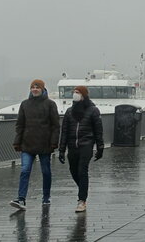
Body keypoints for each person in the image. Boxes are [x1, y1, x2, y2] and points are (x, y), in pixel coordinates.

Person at [11, 79, 60, 212]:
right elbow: (20, 125)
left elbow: (55, 125)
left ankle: (46, 197)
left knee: (46, 171)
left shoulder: (50, 104)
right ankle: (21, 198)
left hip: (45, 145)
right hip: (27, 144)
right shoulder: (25, 104)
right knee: (25, 170)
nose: (35, 90)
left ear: (43, 89)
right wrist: (17, 141)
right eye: (33, 87)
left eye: (37, 87)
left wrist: (54, 142)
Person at [59, 85, 103, 213]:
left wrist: (100, 148)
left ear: (84, 95)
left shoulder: (93, 110)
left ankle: (81, 200)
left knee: (82, 170)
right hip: (72, 146)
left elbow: (98, 131)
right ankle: (83, 188)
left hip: (86, 144)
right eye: (74, 92)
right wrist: (61, 150)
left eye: (77, 92)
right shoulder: (69, 111)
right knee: (73, 170)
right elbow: (64, 131)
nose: (75, 94)